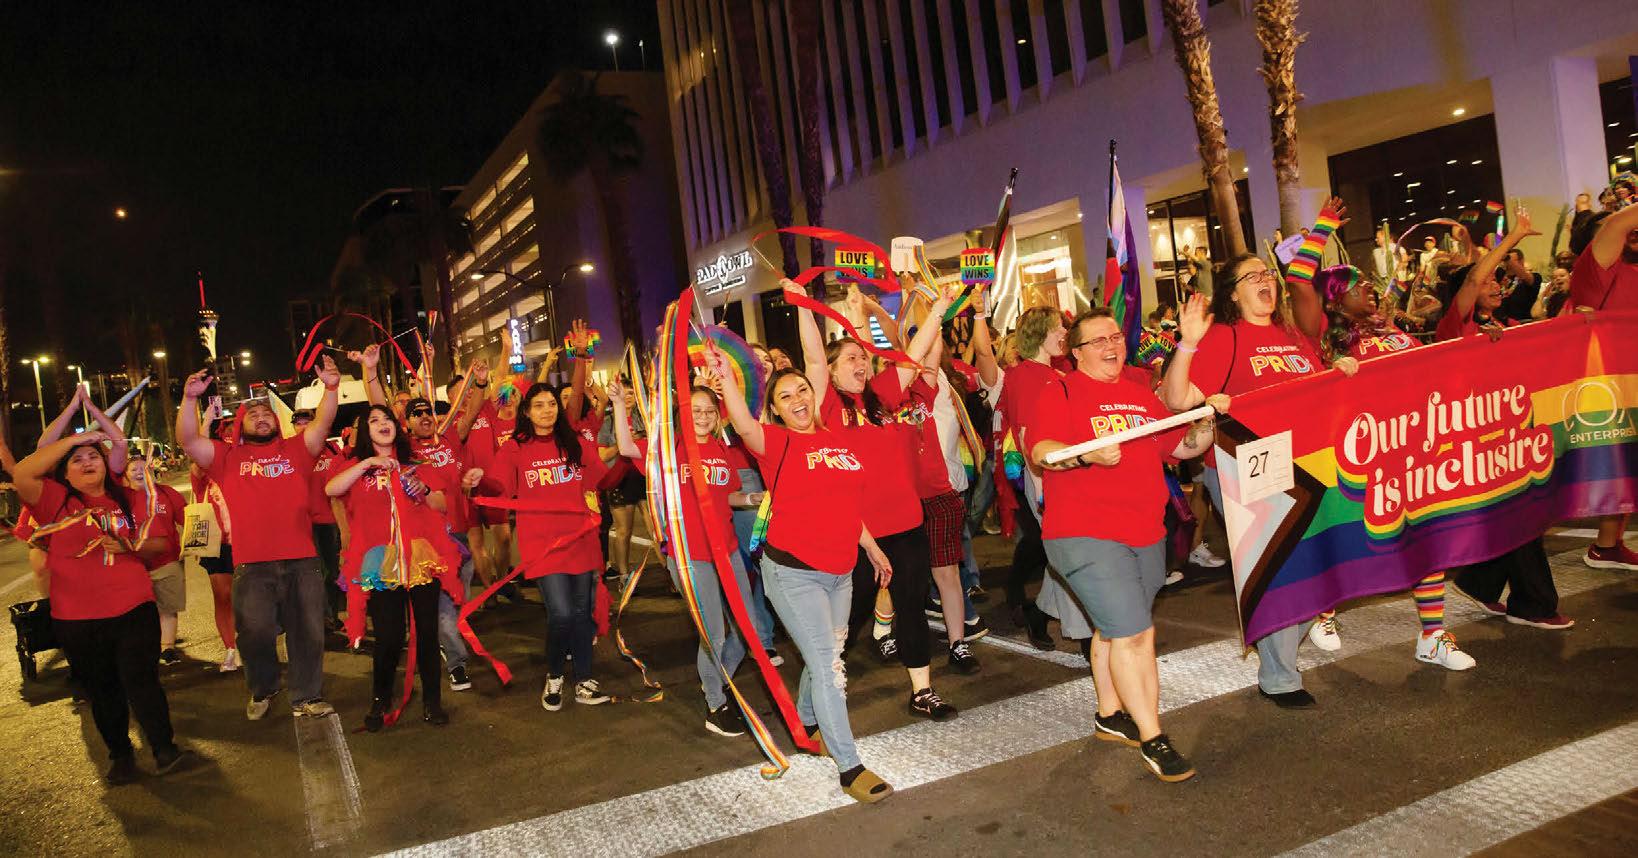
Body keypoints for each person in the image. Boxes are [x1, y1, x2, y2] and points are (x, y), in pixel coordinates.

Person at [1161, 199, 1361, 709]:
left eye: (1266, 274)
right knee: (1279, 570)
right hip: (1245, 466)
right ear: (1232, 293)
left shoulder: (1290, 334)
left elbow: (1314, 392)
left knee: (1314, 562)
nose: (1264, 281)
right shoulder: (1223, 337)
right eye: (1251, 277)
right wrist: (1188, 349)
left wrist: (1336, 372)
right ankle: (1279, 676)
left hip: (1307, 464)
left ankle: (1284, 654)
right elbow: (1177, 400)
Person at [1032, 308, 1224, 782]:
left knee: (1115, 627)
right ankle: (1153, 736)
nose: (1111, 345)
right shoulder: (1060, 390)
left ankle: (1109, 713)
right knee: (1135, 634)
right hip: (1085, 534)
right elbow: (1042, 452)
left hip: (1145, 532)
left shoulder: (1139, 395)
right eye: (1098, 341)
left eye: (1115, 337)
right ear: (1075, 353)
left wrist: (1208, 418)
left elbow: (1181, 448)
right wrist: (1085, 455)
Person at [709, 344, 896, 803]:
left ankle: (809, 719)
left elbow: (845, 503)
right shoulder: (776, 442)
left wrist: (871, 546)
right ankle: (849, 766)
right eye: (786, 396)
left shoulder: (836, 441)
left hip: (841, 570)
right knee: (830, 666)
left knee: (829, 653)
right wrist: (726, 376)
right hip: (794, 574)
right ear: (774, 408)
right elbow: (743, 423)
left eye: (803, 390)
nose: (798, 399)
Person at [1297, 259, 1478, 670]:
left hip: (1412, 450)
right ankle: (1324, 609)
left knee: (1426, 537)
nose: (1369, 289)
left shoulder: (1393, 330)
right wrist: (1322, 231)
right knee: (1354, 539)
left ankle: (1432, 637)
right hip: (1360, 457)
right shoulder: (1325, 337)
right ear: (1335, 300)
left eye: (1369, 283)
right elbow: (1298, 284)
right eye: (1357, 285)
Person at [793, 280, 959, 721]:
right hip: (859, 536)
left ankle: (922, 691)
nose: (861, 362)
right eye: (850, 358)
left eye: (863, 357)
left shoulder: (883, 398)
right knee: (849, 619)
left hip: (907, 526)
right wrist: (803, 306)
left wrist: (940, 307)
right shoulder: (827, 405)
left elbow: (915, 352)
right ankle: (816, 693)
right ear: (832, 371)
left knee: (911, 608)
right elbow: (813, 357)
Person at [13, 430, 193, 783]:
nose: (87, 462)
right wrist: (71, 441)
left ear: (106, 465)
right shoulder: (54, 501)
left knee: (142, 681)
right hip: (77, 618)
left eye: (94, 456)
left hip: (133, 607)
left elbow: (161, 543)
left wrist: (129, 546)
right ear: (64, 472)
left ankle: (164, 749)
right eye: (77, 459)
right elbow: (22, 473)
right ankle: (121, 755)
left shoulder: (128, 497)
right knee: (103, 689)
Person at [176, 356, 343, 720]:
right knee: (253, 634)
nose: (262, 417)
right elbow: (188, 439)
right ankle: (263, 687)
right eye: (253, 414)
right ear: (240, 425)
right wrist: (189, 399)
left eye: (267, 413)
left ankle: (307, 695)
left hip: (302, 559)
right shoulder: (226, 457)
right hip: (251, 564)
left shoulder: (297, 449)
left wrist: (331, 388)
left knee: (308, 633)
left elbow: (323, 422)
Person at [1434, 209, 1574, 630]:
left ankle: (1481, 581)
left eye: (1499, 280)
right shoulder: (1454, 327)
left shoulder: (1505, 323)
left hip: (1515, 436)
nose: (1496, 285)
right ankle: (1534, 603)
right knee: (1522, 514)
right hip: (1481, 441)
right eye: (1488, 281)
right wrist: (1512, 237)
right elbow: (1472, 281)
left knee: (1517, 513)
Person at [609, 378, 762, 736]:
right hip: (690, 555)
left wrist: (752, 499)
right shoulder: (669, 449)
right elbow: (627, 447)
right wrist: (618, 405)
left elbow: (727, 495)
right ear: (682, 414)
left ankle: (718, 681)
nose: (703, 416)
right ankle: (715, 704)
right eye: (696, 410)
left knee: (749, 630)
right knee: (714, 634)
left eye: (709, 411)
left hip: (727, 551)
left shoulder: (722, 449)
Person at [472, 379, 614, 710]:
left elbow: (603, 479)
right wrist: (481, 481)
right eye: (538, 405)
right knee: (561, 613)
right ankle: (555, 674)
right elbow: (499, 485)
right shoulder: (515, 447)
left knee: (582, 613)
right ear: (526, 412)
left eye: (551, 404)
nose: (546, 410)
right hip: (542, 544)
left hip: (580, 539)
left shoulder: (575, 442)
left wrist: (635, 453)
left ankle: (584, 679)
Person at [327, 405, 466, 730]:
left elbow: (442, 503)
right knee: (389, 637)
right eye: (374, 421)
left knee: (427, 632)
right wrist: (367, 463)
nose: (382, 424)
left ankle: (432, 701)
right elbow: (331, 489)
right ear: (365, 431)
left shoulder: (415, 462)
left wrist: (424, 491)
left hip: (420, 558)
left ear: (396, 426)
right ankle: (380, 699)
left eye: (387, 418)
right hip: (380, 562)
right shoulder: (356, 468)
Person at [359, 344, 487, 692]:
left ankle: (448, 648)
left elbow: (473, 410)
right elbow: (379, 410)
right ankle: (457, 663)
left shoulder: (451, 438)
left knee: (456, 603)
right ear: (406, 423)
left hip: (459, 537)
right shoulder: (406, 450)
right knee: (443, 609)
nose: (424, 417)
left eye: (428, 412)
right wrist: (370, 372)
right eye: (416, 414)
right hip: (427, 544)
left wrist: (480, 383)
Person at [1563, 194, 1638, 570]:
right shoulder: (1594, 267)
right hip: (1613, 381)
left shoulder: (1630, 268)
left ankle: (1607, 546)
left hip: (1630, 379)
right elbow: (1618, 223)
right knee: (1624, 460)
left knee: (1628, 463)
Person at [124, 452, 189, 665]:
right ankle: (143, 648)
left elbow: (188, 520)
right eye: (134, 469)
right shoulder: (121, 498)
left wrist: (194, 546)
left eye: (144, 468)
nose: (139, 472)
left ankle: (167, 648)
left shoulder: (167, 493)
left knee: (168, 607)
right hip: (133, 565)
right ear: (125, 474)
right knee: (137, 611)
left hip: (167, 561)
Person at [190, 417, 240, 672]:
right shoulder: (205, 474)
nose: (230, 436)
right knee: (223, 597)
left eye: (235, 432)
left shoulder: (245, 466)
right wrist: (206, 423)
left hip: (247, 541)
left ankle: (251, 644)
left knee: (249, 597)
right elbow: (196, 453)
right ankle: (231, 648)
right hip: (216, 544)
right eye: (226, 433)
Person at [293, 409, 346, 632]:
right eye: (298, 423)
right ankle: (323, 620)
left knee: (334, 571)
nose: (303, 427)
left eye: (308, 422)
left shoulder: (332, 448)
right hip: (307, 523)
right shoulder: (291, 452)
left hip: (333, 519)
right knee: (316, 573)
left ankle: (332, 615)